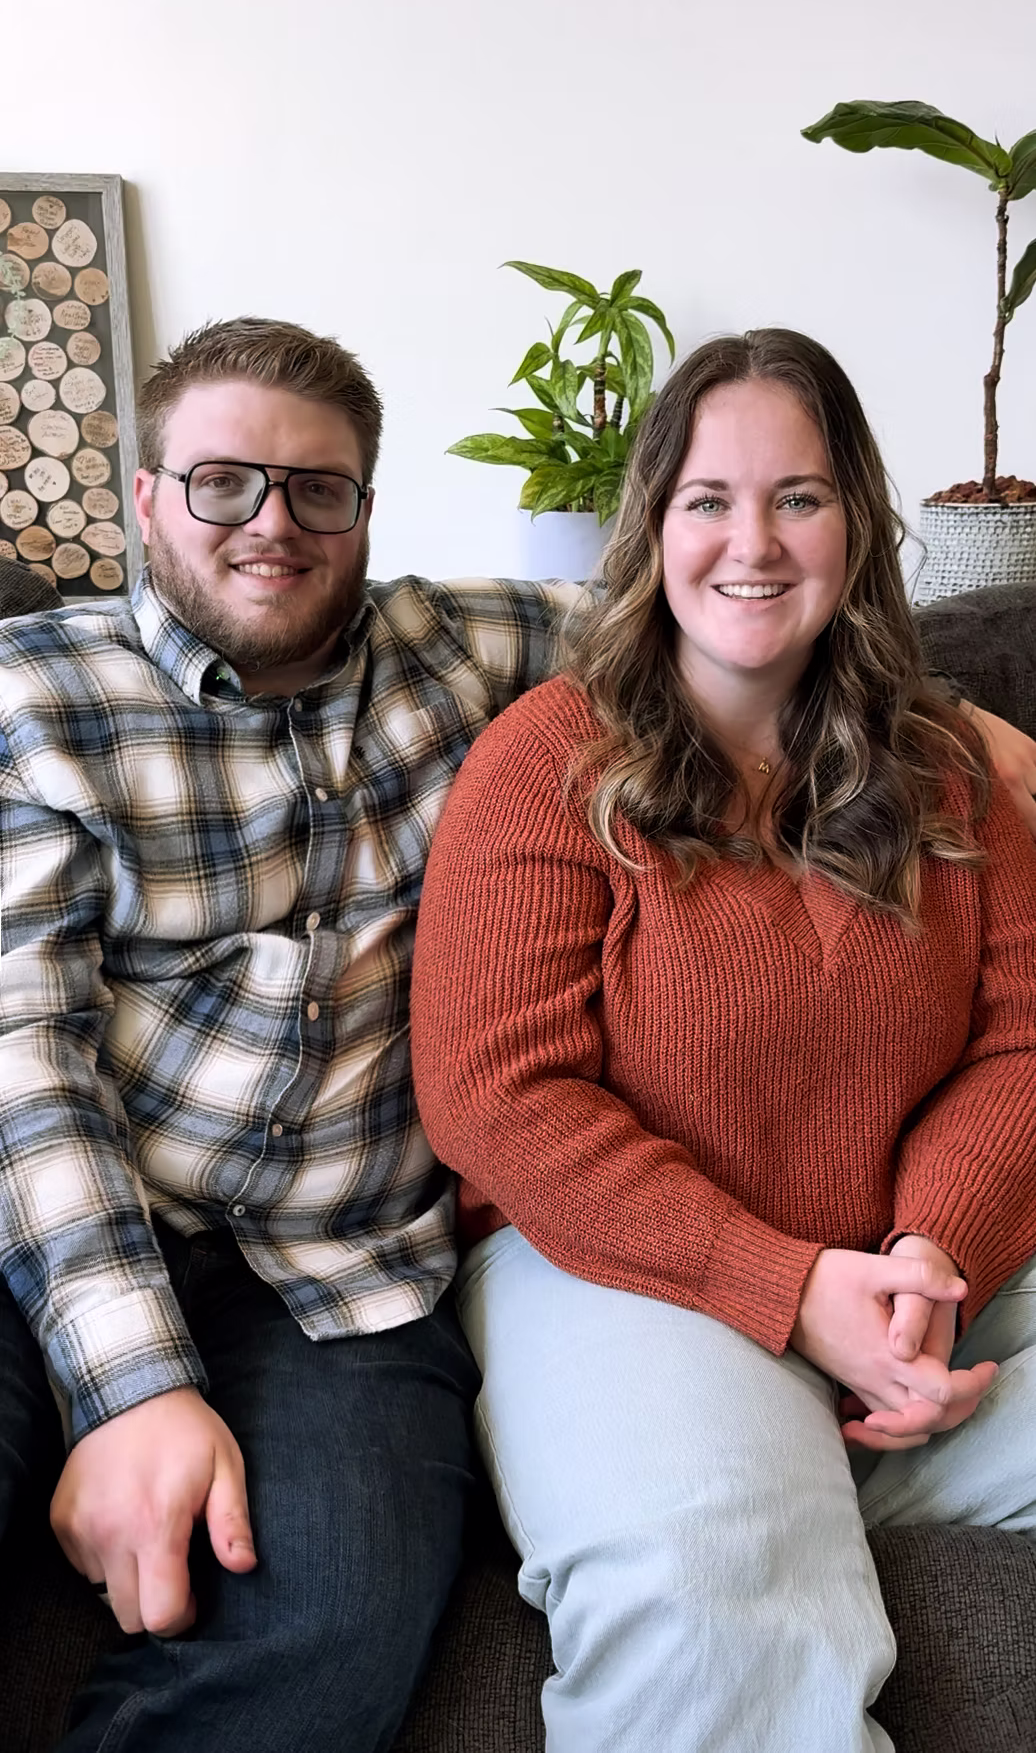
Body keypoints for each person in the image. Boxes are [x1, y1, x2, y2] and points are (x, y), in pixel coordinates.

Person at [0, 320, 1031, 1750]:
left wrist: (952, 712)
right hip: (100, 1229)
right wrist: (132, 1388)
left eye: (318, 490)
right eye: (222, 482)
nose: (272, 525)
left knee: (334, 1626)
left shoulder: (454, 650)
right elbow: (30, 1066)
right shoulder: (42, 693)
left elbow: (731, 614)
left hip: (342, 1268)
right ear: (145, 492)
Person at [410, 329, 1036, 1753]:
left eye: (798, 498)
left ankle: (806, 1449)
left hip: (922, 1271)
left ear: (857, 522)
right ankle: (744, 1470)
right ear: (653, 524)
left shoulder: (947, 767)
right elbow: (497, 1094)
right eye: (709, 500)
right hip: (616, 1265)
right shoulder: (546, 761)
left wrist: (934, 1257)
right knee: (709, 1582)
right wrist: (788, 1289)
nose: (752, 543)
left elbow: (1022, 1043)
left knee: (759, 1491)